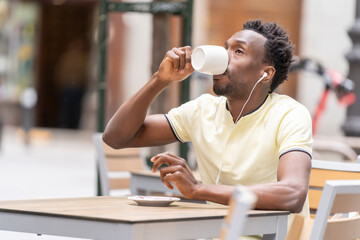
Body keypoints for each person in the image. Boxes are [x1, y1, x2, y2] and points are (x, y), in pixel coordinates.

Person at [103, 20, 312, 217]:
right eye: (225, 48)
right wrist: (160, 79)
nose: (224, 57)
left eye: (238, 51)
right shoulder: (202, 110)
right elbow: (116, 138)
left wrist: (199, 190)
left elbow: (293, 193)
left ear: (265, 74)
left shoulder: (289, 114)